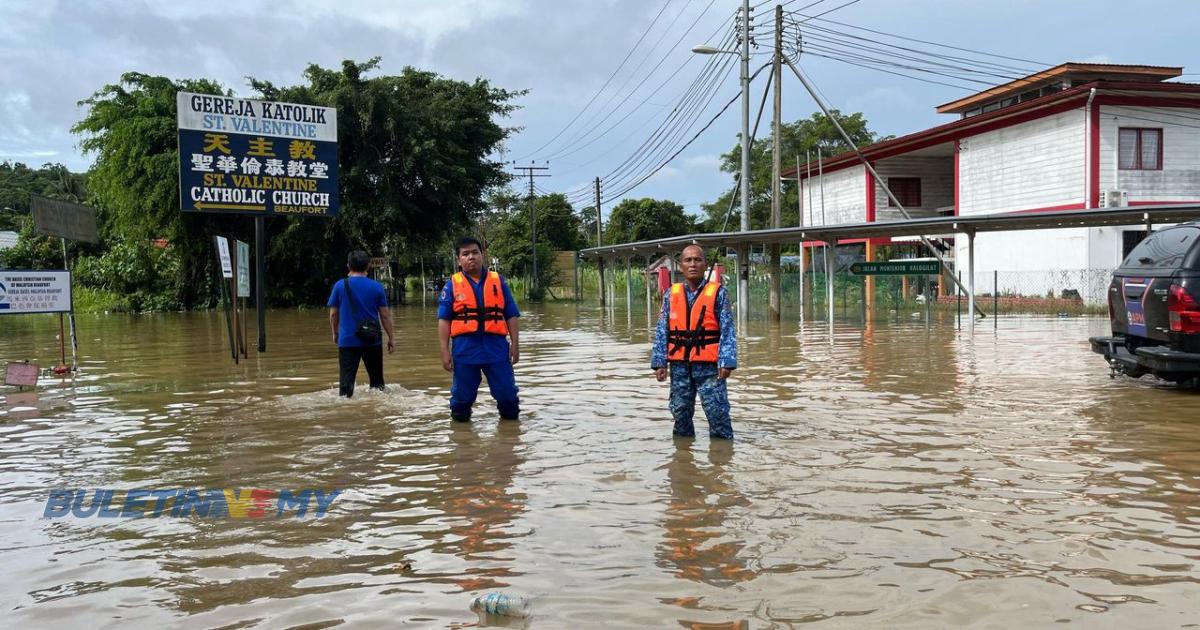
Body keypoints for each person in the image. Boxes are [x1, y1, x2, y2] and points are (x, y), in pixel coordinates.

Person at [651, 244, 737, 439]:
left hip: (709, 367)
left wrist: (727, 361)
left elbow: (728, 329)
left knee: (717, 413)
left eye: (697, 260)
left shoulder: (719, 293)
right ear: (680, 265)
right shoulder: (670, 294)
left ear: (705, 264)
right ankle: (682, 459)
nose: (692, 264)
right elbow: (662, 329)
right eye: (688, 260)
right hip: (680, 365)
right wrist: (659, 362)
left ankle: (722, 460)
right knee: (680, 413)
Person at [437, 237, 521, 422]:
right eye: (465, 254)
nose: (471, 257)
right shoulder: (452, 284)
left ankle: (510, 443)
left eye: (475, 252)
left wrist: (515, 344)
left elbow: (511, 314)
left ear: (482, 255)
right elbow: (444, 320)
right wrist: (444, 351)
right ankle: (463, 442)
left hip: (496, 348)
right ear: (458, 260)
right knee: (461, 400)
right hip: (465, 349)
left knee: (508, 396)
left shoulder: (498, 281)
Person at [327, 250, 395, 397]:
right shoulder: (377, 287)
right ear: (368, 266)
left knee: (346, 389)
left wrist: (335, 333)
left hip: (347, 341)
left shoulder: (340, 286)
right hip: (372, 340)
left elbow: (333, 314)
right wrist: (391, 338)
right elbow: (385, 315)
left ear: (348, 266)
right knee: (377, 385)